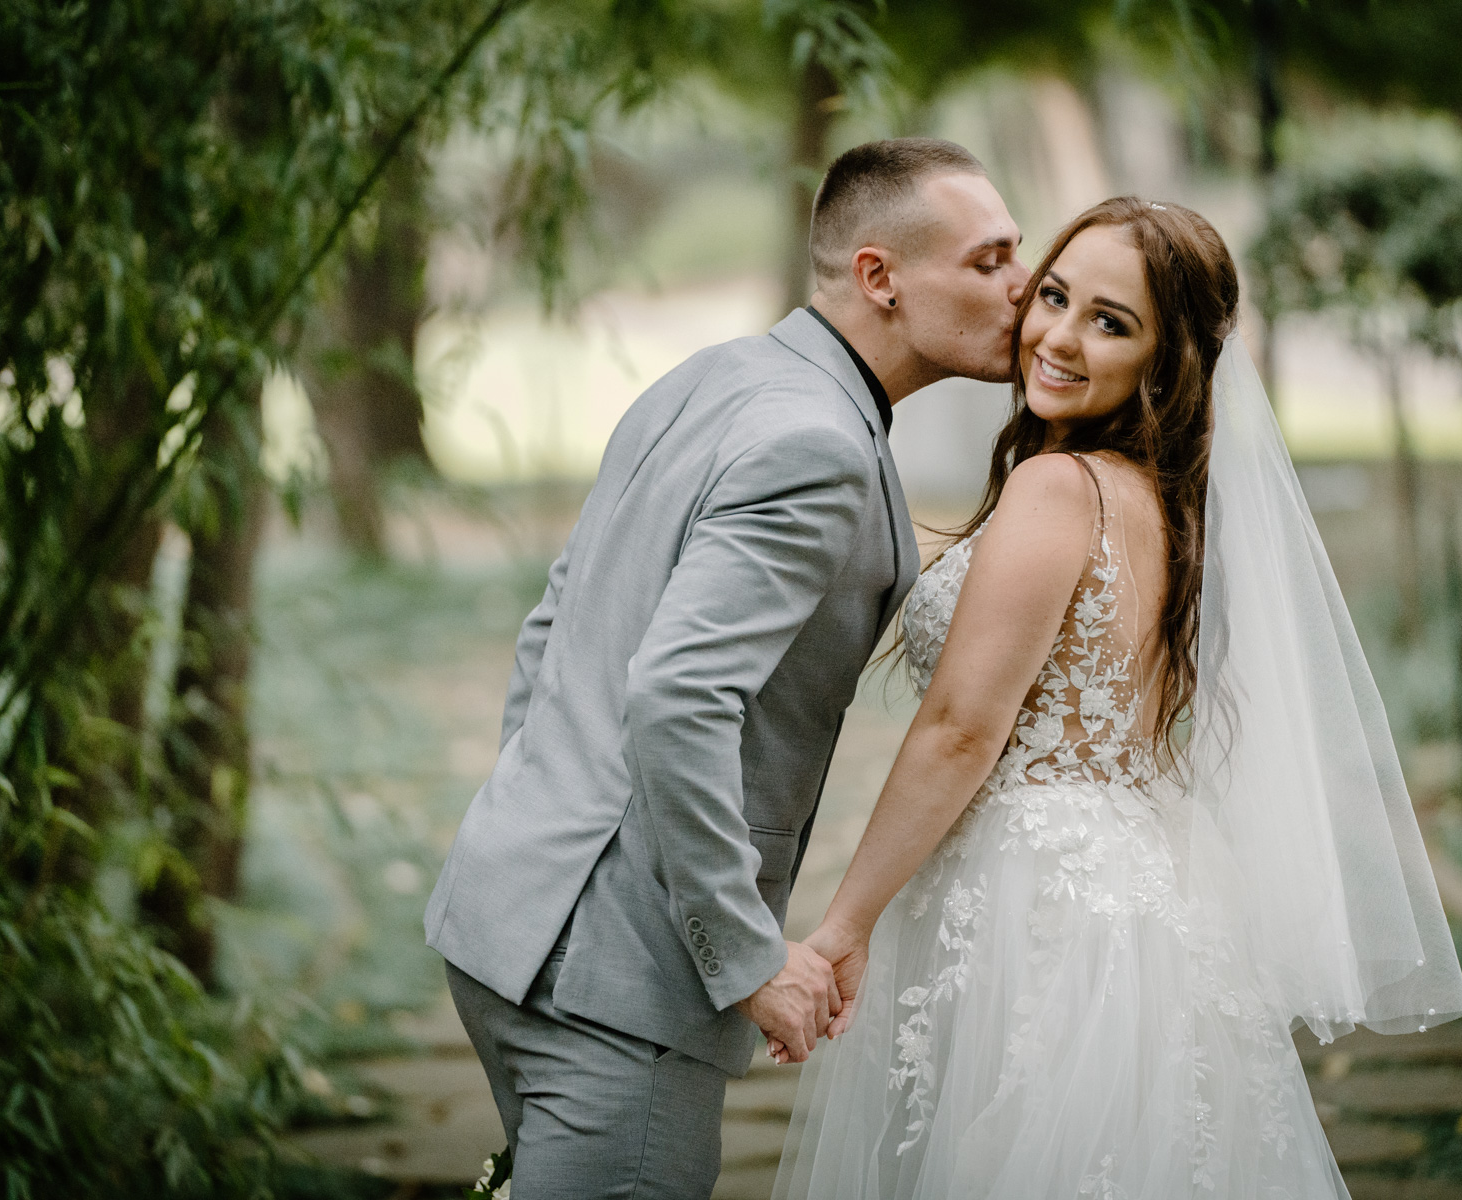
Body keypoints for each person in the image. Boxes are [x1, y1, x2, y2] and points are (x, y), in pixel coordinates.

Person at [772, 197, 1462, 1199]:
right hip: (1139, 901)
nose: (1059, 337)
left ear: (1163, 361)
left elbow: (963, 729)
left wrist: (843, 926)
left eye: (1110, 322)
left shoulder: (1059, 489)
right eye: (1055, 296)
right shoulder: (1164, 502)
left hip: (1029, 903)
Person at [422, 138, 1031, 1199]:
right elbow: (678, 696)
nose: (1024, 286)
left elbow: (556, 622)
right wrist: (746, 954)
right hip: (617, 990)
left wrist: (537, 814)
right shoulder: (818, 445)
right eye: (990, 260)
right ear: (880, 277)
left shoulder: (715, 377)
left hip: (503, 919)